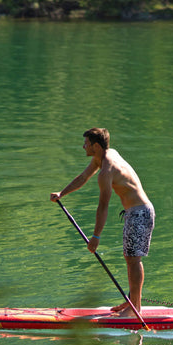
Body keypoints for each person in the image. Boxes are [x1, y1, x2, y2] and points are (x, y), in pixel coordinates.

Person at [50, 127, 154, 317]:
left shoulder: (107, 171)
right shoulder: (106, 155)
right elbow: (82, 177)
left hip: (140, 213)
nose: (83, 147)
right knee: (129, 258)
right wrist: (61, 193)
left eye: (86, 144)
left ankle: (135, 308)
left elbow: (103, 206)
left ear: (95, 146)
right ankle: (131, 302)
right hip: (133, 213)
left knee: (133, 259)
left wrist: (96, 236)